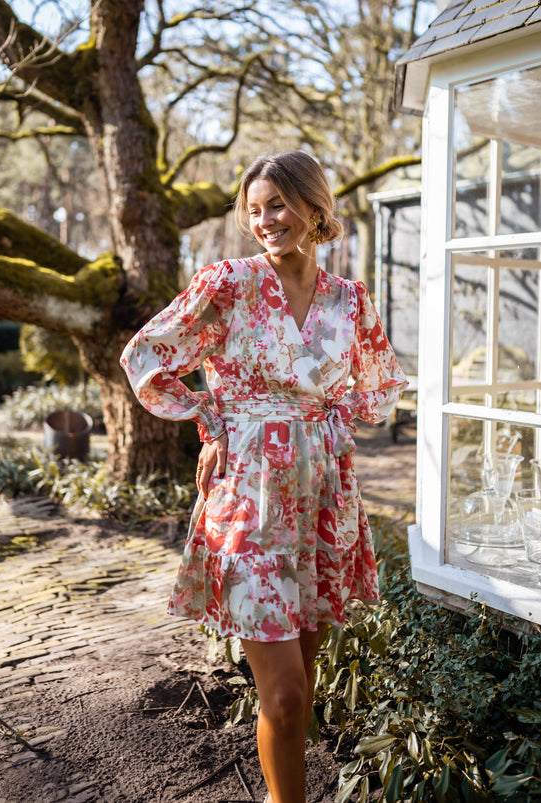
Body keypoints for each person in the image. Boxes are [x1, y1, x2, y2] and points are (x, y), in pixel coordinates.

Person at [120, 150, 407, 803]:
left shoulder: (347, 300)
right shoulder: (229, 284)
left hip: (323, 501)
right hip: (251, 500)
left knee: (300, 689)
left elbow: (380, 382)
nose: (264, 220)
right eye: (254, 209)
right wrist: (214, 420)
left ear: (313, 207)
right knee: (281, 691)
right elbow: (147, 353)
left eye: (276, 204)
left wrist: (326, 425)